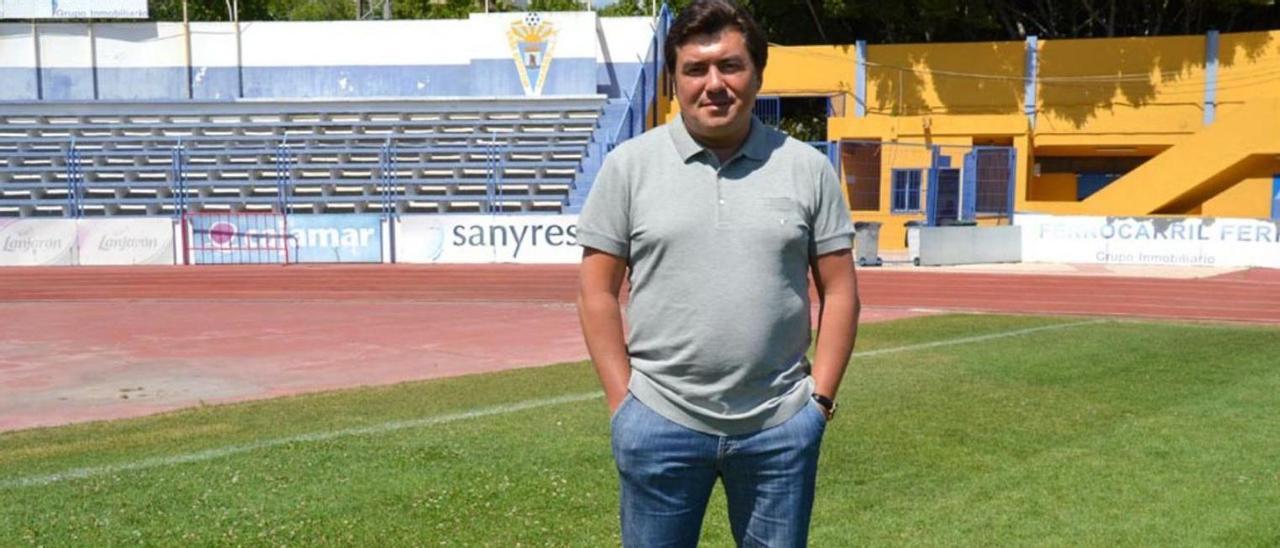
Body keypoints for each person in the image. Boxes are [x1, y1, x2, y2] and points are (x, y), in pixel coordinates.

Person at [575, 0, 860, 545]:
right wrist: (624, 405)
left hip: (779, 426)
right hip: (659, 420)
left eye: (730, 66)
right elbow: (596, 292)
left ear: (757, 74)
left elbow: (841, 291)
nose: (714, 84)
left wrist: (818, 403)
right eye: (695, 69)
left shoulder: (806, 169)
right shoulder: (629, 167)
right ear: (674, 79)